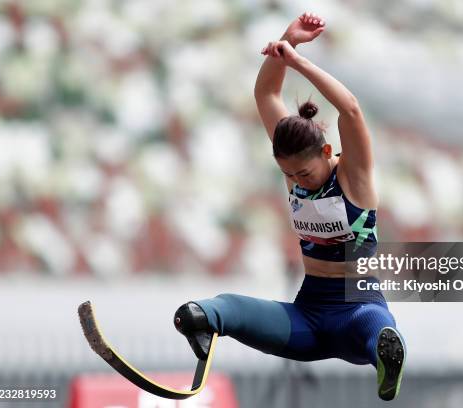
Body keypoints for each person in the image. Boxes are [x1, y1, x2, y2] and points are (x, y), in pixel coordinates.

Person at [174, 12, 406, 401]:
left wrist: (297, 61)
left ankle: (388, 359)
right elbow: (266, 95)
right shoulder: (295, 166)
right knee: (226, 307)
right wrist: (287, 41)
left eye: (304, 173)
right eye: (289, 175)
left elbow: (350, 109)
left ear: (328, 152)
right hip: (309, 313)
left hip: (357, 307)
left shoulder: (354, 176)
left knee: (376, 331)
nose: (297, 181)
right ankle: (199, 319)